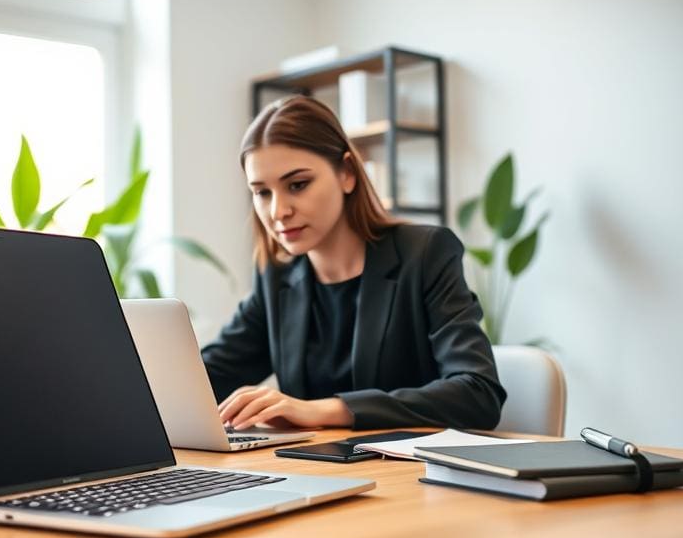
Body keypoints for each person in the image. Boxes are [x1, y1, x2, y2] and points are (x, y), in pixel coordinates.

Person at [200, 95, 506, 432]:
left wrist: (328, 411)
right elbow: (205, 380)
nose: (278, 211)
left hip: (411, 473)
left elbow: (478, 394)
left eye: (297, 185)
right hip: (315, 472)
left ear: (347, 173)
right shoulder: (277, 278)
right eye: (262, 192)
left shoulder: (425, 254)